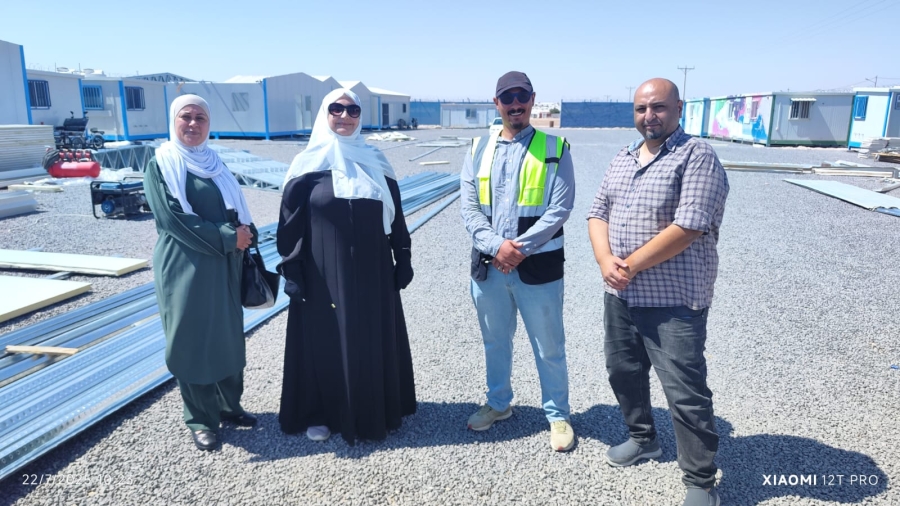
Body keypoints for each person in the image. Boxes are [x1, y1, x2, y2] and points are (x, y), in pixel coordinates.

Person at [587, 78, 729, 506]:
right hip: (622, 296)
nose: (649, 116)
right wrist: (604, 260)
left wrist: (627, 265)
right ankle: (643, 439)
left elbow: (689, 225)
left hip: (673, 301)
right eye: (641, 109)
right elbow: (598, 212)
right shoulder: (624, 157)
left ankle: (700, 481)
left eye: (658, 107)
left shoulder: (696, 155)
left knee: (685, 391)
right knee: (624, 372)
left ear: (678, 108)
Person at [277, 88, 416, 445]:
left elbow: (396, 215)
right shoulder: (306, 164)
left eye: (353, 110)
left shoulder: (375, 160)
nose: (345, 116)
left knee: (370, 336)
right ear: (324, 114)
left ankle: (374, 411)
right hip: (321, 272)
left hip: (374, 269)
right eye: (336, 109)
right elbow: (290, 223)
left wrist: (403, 256)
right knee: (325, 341)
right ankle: (321, 414)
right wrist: (292, 269)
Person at [460, 71, 576, 452]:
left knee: (549, 345)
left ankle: (558, 415)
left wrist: (517, 249)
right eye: (507, 98)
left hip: (538, 269)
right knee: (495, 341)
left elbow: (560, 208)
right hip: (489, 269)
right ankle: (498, 404)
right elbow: (469, 210)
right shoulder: (477, 148)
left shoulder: (555, 148)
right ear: (496, 103)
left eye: (521, 96)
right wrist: (498, 247)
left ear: (532, 99)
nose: (515, 104)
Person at [144, 94, 259, 452]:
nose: (193, 124)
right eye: (186, 116)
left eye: (201, 118)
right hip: (185, 266)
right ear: (173, 121)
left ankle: (228, 406)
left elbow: (232, 208)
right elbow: (173, 219)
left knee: (227, 337)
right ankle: (200, 419)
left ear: (209, 124)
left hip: (224, 264)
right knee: (192, 340)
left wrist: (246, 232)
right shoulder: (162, 163)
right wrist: (229, 236)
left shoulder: (214, 163)